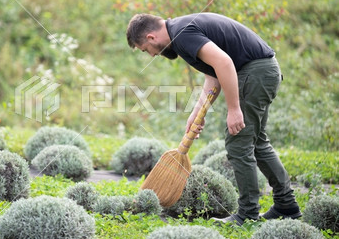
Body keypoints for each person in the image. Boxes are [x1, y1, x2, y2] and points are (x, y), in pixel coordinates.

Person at [126, 12, 301, 225]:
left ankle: (247, 214)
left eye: (147, 50)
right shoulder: (181, 30)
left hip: (255, 73)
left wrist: (234, 109)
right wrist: (197, 112)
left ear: (151, 38)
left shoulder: (181, 33)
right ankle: (286, 205)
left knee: (239, 143)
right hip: (263, 70)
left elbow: (225, 64)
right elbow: (214, 74)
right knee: (257, 142)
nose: (152, 55)